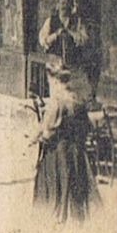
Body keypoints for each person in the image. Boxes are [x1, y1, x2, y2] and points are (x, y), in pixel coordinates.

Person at [32, 65, 96, 222]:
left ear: (54, 80)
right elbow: (87, 126)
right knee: (72, 182)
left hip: (58, 150)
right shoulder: (78, 99)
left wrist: (37, 138)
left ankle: (57, 215)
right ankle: (70, 215)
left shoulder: (57, 102)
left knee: (54, 183)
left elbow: (48, 131)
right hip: (76, 151)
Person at [39, 0, 100, 102]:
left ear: (70, 6)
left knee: (72, 97)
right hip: (55, 66)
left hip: (73, 66)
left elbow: (85, 39)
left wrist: (71, 32)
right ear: (57, 5)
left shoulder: (77, 22)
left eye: (67, 4)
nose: (64, 6)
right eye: (62, 3)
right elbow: (43, 40)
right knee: (57, 97)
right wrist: (56, 35)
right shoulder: (51, 21)